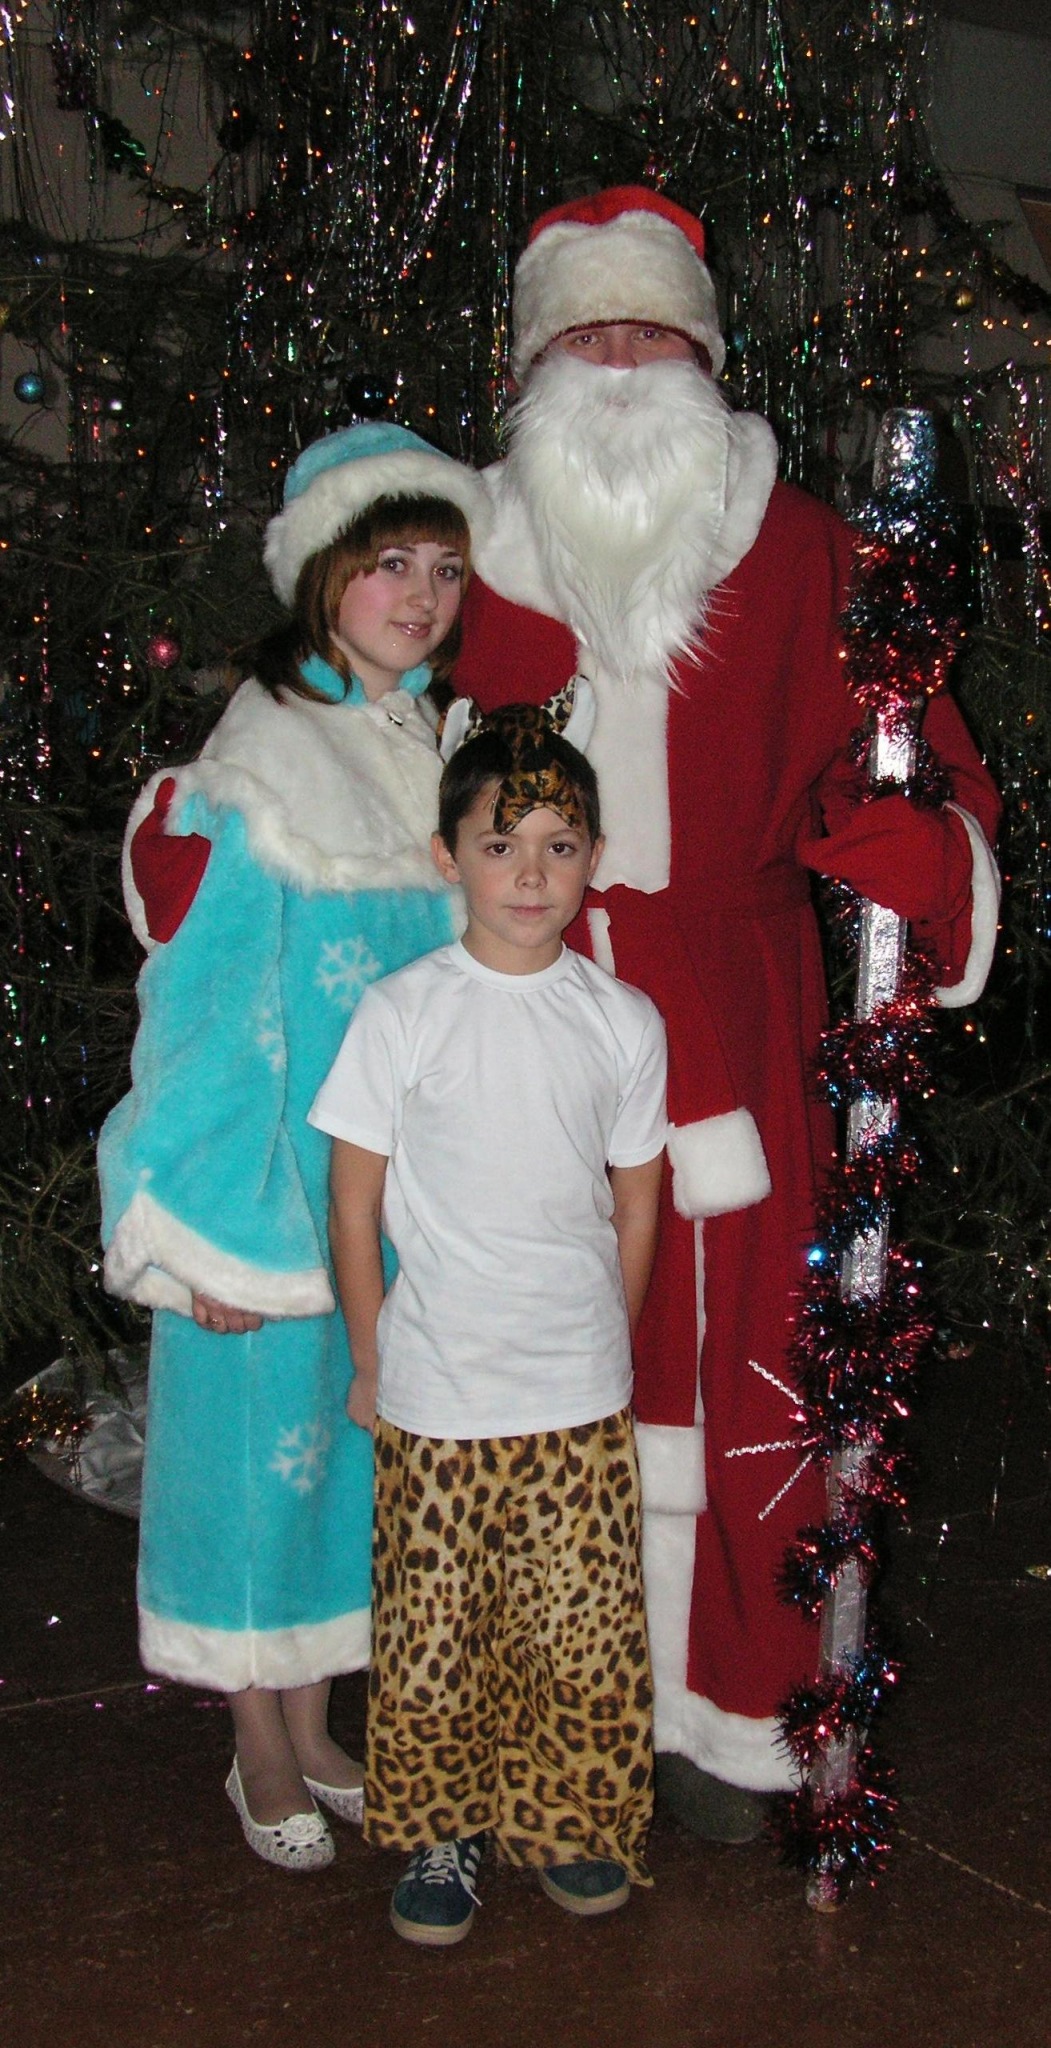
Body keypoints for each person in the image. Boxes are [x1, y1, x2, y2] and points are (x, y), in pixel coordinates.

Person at [451, 186, 1003, 1843]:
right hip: (513, 997)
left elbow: (914, 757)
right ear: (533, 366)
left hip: (738, 998)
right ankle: (541, 1703)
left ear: (704, 356)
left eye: (652, 331)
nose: (621, 362)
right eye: (588, 334)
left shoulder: (807, 545)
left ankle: (735, 1705)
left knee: (748, 1340)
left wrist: (925, 852)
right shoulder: (452, 547)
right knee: (520, 1342)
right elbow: (342, 725)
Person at [97, 421, 489, 1871]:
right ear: (324, 571)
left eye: (444, 567)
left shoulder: (426, 744)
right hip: (269, 1199)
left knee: (344, 1477)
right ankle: (256, 1743)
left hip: (391, 1201)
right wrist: (205, 1225)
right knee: (254, 1475)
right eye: (390, 563)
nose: (421, 595)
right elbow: (200, 1017)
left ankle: (318, 1725)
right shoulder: (257, 763)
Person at [309, 695, 667, 1945]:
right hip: (438, 1388)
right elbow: (354, 1202)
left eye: (559, 846)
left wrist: (611, 1337)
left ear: (592, 857)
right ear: (447, 855)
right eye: (500, 844)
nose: (530, 873)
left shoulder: (621, 1020)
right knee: (436, 1631)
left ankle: (571, 1816)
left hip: (575, 1390)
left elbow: (635, 1199)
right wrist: (369, 1355)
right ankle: (445, 1826)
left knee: (580, 1629)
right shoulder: (402, 1010)